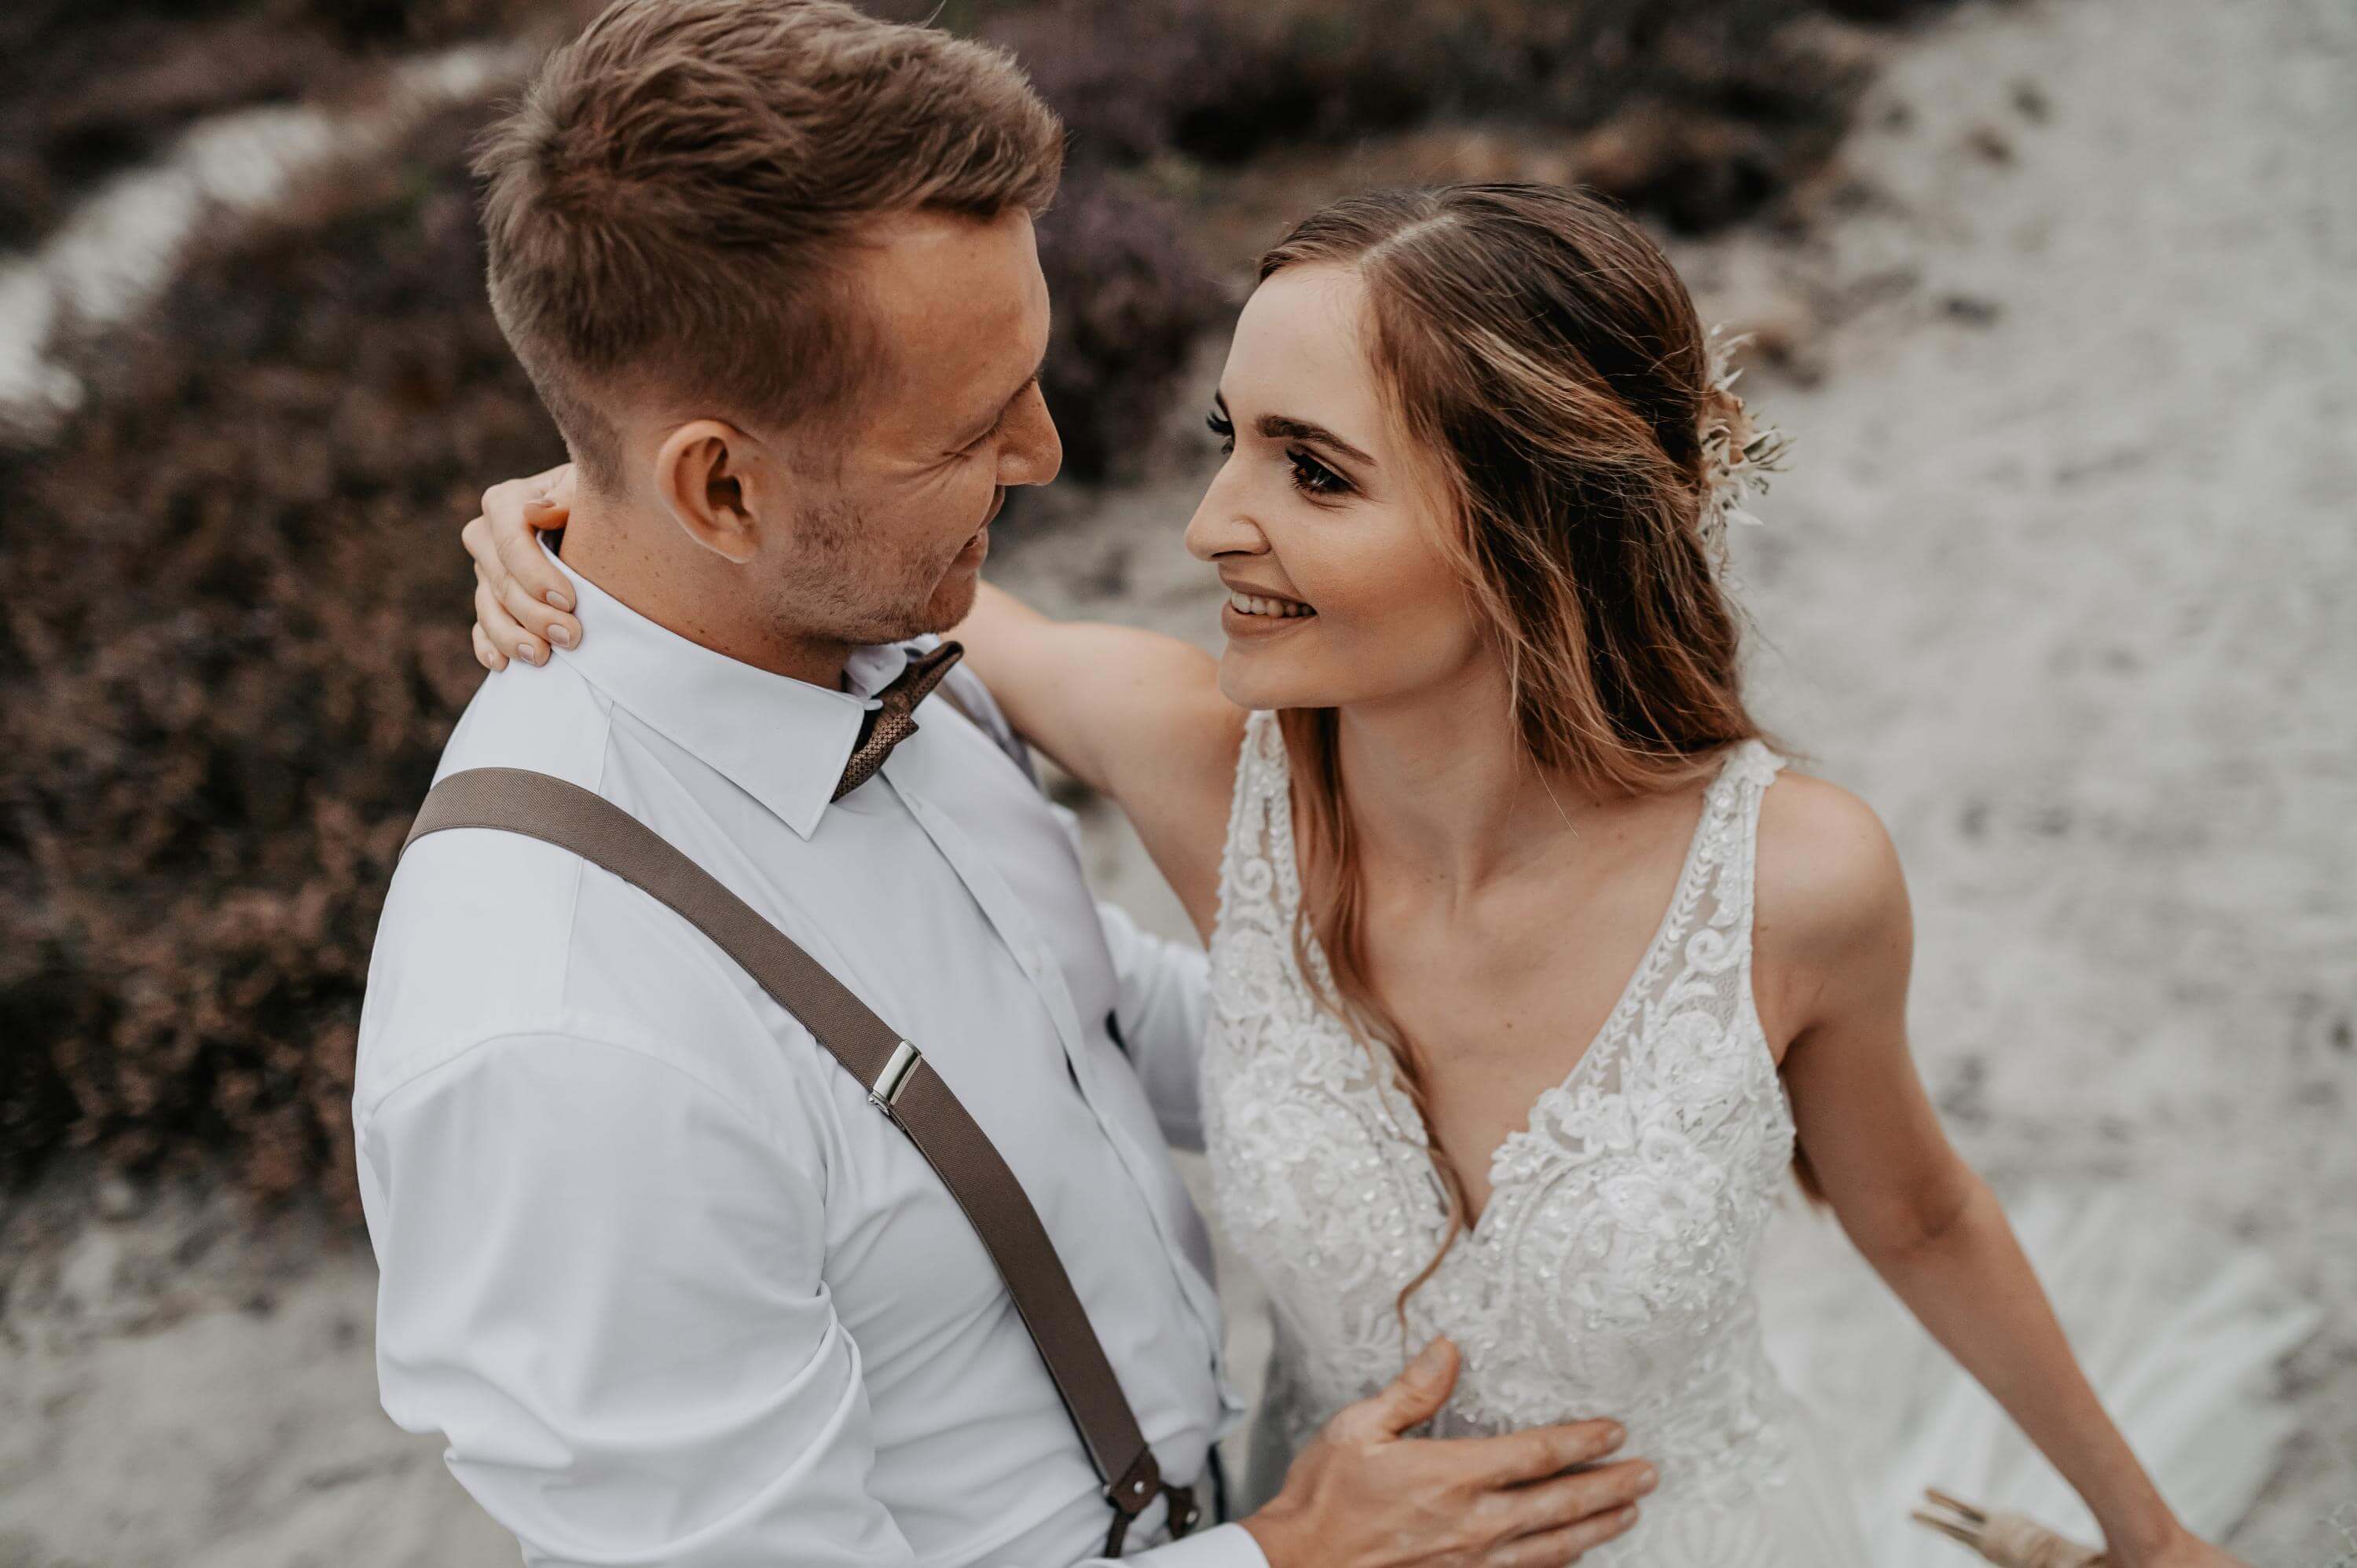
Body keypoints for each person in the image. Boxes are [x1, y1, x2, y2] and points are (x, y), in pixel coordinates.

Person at [465, 176, 2286, 1567]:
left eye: (1313, 470)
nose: (1209, 524)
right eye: (1227, 440)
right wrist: (589, 491)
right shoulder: (1197, 761)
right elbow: (808, 551)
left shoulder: (1797, 878)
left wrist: (2149, 1531)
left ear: (1527, 522)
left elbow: (1918, 1212)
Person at [356, 5, 1660, 1566]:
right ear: (720, 485)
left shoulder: (865, 632)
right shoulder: (564, 1047)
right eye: (975, 427)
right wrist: (1295, 1557)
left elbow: (1083, 1016)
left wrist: (1512, 1050)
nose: (1045, 454)